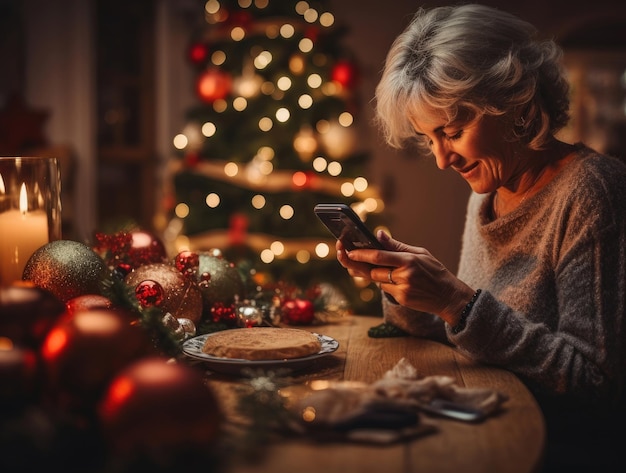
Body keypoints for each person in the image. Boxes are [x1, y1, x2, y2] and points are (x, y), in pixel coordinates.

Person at [335, 4, 626, 472]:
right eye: (429, 138)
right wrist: (408, 289)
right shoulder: (488, 192)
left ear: (515, 104)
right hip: (478, 430)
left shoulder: (593, 192)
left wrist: (458, 302)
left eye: (452, 132)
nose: (441, 160)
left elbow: (594, 385)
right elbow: (473, 339)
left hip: (547, 452)